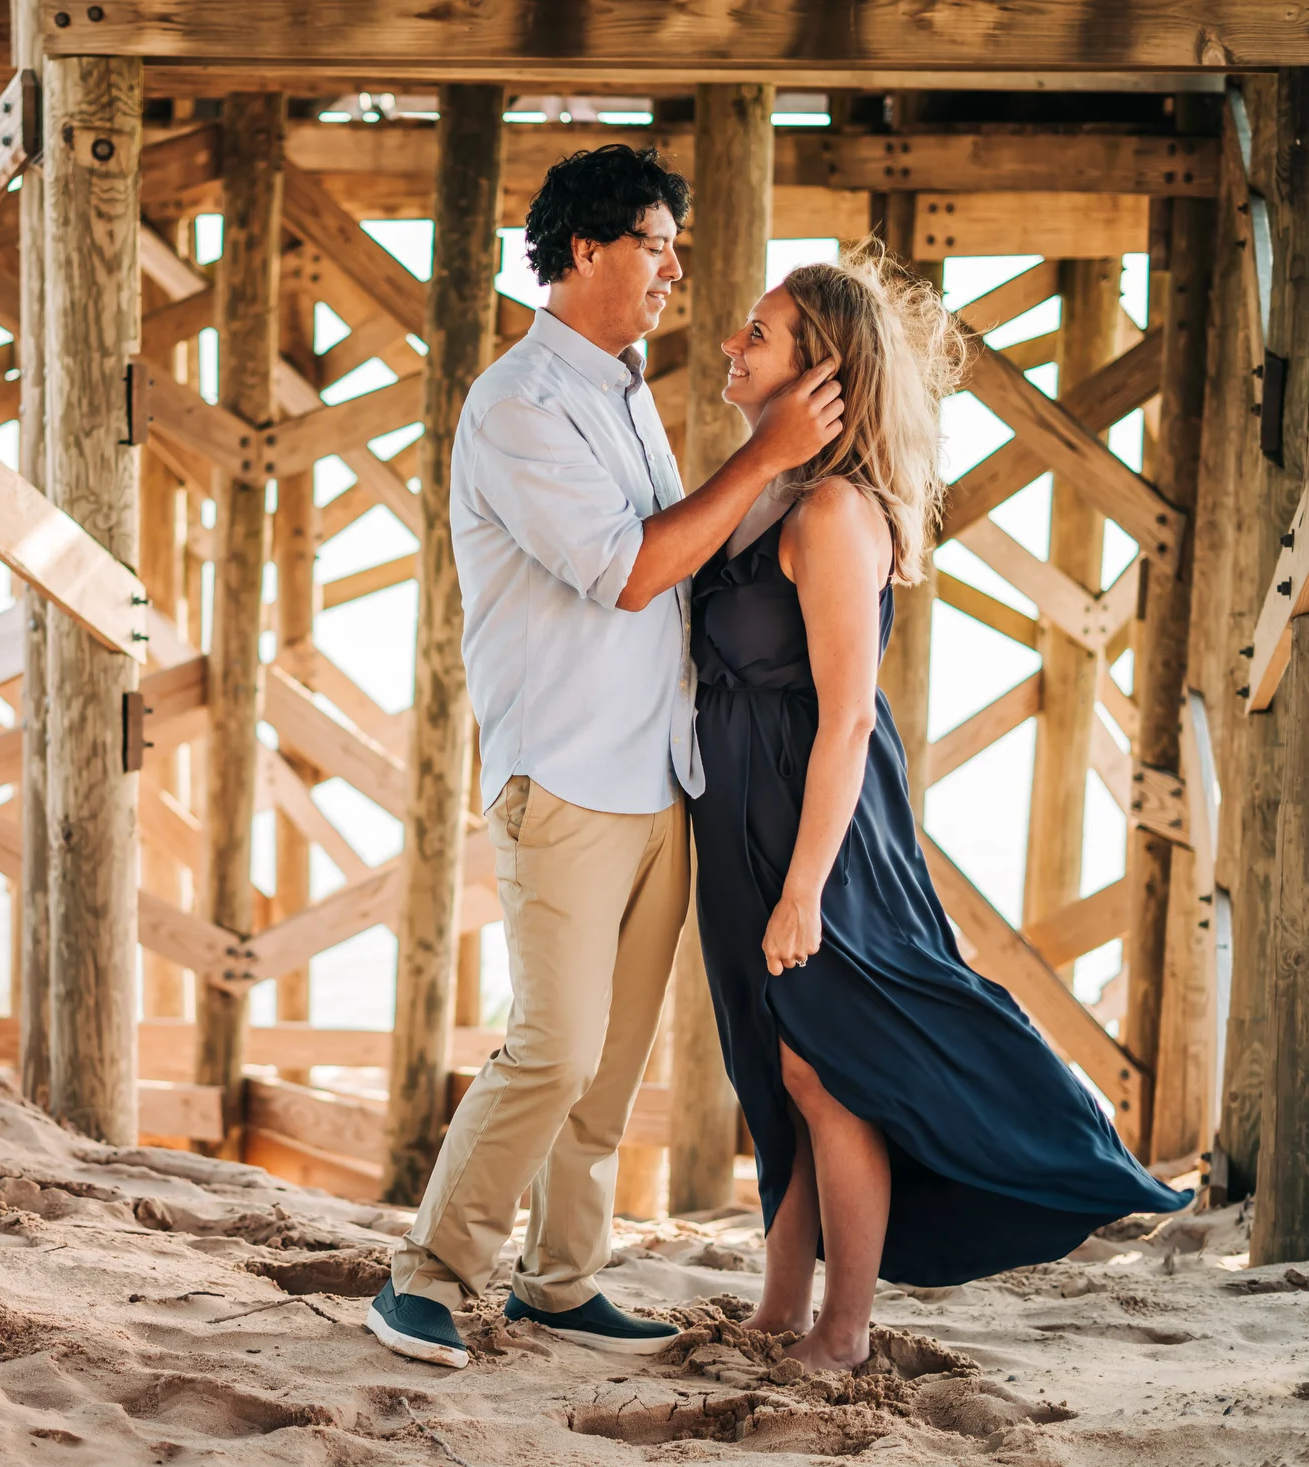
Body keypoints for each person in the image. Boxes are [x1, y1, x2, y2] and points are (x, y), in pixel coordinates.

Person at [363, 144, 843, 1371]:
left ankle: (561, 1284)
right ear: (584, 248)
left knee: (610, 1069)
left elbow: (688, 554)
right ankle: (428, 1272)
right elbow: (631, 573)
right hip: (564, 779)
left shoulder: (625, 390)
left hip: (657, 778)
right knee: (556, 1046)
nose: (676, 268)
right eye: (655, 242)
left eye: (676, 246)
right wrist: (767, 452)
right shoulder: (519, 404)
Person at [688, 244, 1190, 1375]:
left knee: (833, 1067)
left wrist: (807, 885)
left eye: (758, 334)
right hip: (741, 817)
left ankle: (843, 1331)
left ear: (823, 374)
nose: (732, 344)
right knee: (782, 1066)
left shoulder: (829, 515)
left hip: (816, 826)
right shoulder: (761, 486)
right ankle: (777, 1310)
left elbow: (849, 720)